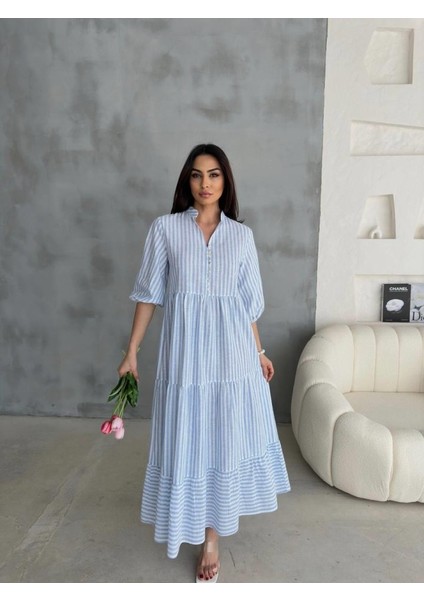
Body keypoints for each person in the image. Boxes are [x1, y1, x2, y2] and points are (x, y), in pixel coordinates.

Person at [118, 143, 291, 583]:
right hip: (185, 359)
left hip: (231, 358)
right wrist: (132, 350)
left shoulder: (241, 237)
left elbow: (246, 305)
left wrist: (259, 352)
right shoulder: (165, 229)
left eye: (214, 174)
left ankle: (212, 536)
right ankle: (189, 520)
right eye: (196, 175)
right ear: (187, 180)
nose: (205, 183)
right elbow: (148, 295)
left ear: (225, 180)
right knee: (188, 438)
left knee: (222, 437)